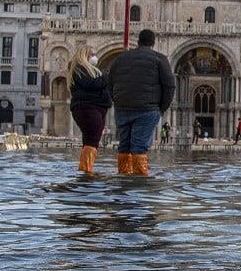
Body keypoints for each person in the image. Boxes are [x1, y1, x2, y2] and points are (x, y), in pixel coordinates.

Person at [108, 28, 175, 176]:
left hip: (122, 108)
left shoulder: (120, 58)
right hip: (147, 110)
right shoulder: (160, 59)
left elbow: (110, 82)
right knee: (139, 147)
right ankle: (139, 183)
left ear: (138, 41)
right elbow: (170, 86)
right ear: (153, 42)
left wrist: (117, 100)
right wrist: (160, 108)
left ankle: (123, 178)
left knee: (124, 146)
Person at [68, 46, 111, 175]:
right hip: (88, 109)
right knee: (92, 141)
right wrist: (107, 76)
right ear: (84, 55)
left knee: (91, 141)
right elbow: (92, 84)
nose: (95, 57)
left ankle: (86, 170)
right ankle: (86, 171)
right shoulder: (78, 70)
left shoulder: (91, 71)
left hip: (96, 108)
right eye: (92, 54)